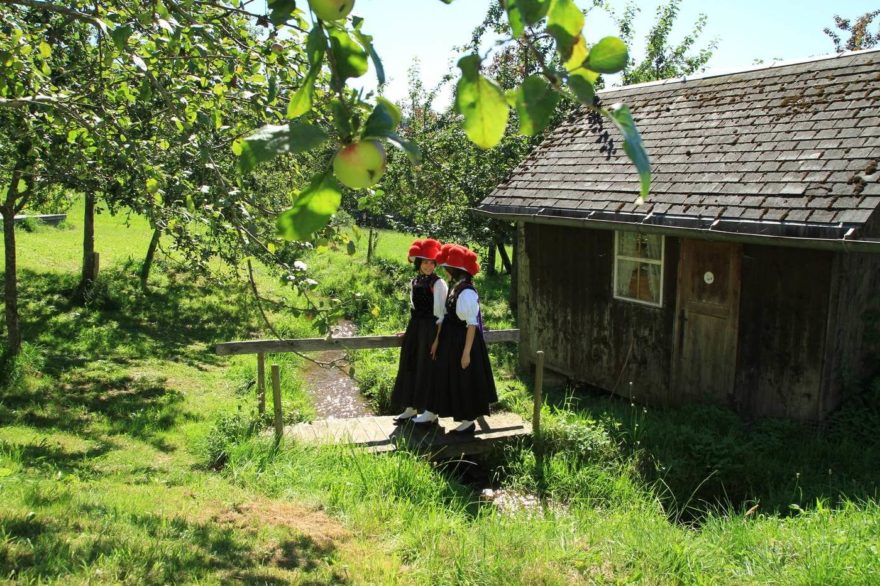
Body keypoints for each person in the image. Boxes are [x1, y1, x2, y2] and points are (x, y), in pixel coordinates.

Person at [413, 243, 497, 434]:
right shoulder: (457, 287)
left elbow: (472, 324)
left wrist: (466, 353)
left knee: (464, 380)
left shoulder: (466, 292)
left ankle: (468, 421)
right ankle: (432, 412)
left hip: (463, 343)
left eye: (448, 269)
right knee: (442, 376)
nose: (445, 272)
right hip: (451, 340)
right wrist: (439, 340)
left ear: (455, 271)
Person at [391, 238, 448, 424]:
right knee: (410, 364)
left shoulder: (438, 284)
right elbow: (415, 308)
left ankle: (431, 412)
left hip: (431, 330)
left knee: (428, 368)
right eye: (425, 262)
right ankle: (410, 407)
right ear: (419, 263)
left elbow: (441, 314)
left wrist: (437, 339)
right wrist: (409, 332)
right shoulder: (415, 281)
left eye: (432, 263)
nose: (428, 266)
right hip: (415, 328)